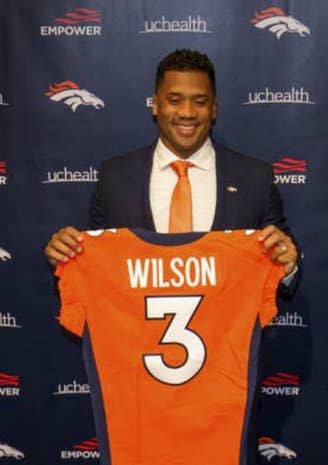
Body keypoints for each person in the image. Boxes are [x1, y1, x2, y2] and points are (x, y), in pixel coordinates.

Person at [44, 49, 299, 290]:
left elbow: (285, 265)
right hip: (136, 336)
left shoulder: (255, 178)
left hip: (229, 337)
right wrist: (67, 258)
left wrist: (288, 266)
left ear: (214, 108)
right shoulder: (114, 177)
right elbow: (95, 270)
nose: (187, 113)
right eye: (174, 100)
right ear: (155, 105)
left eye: (200, 101)